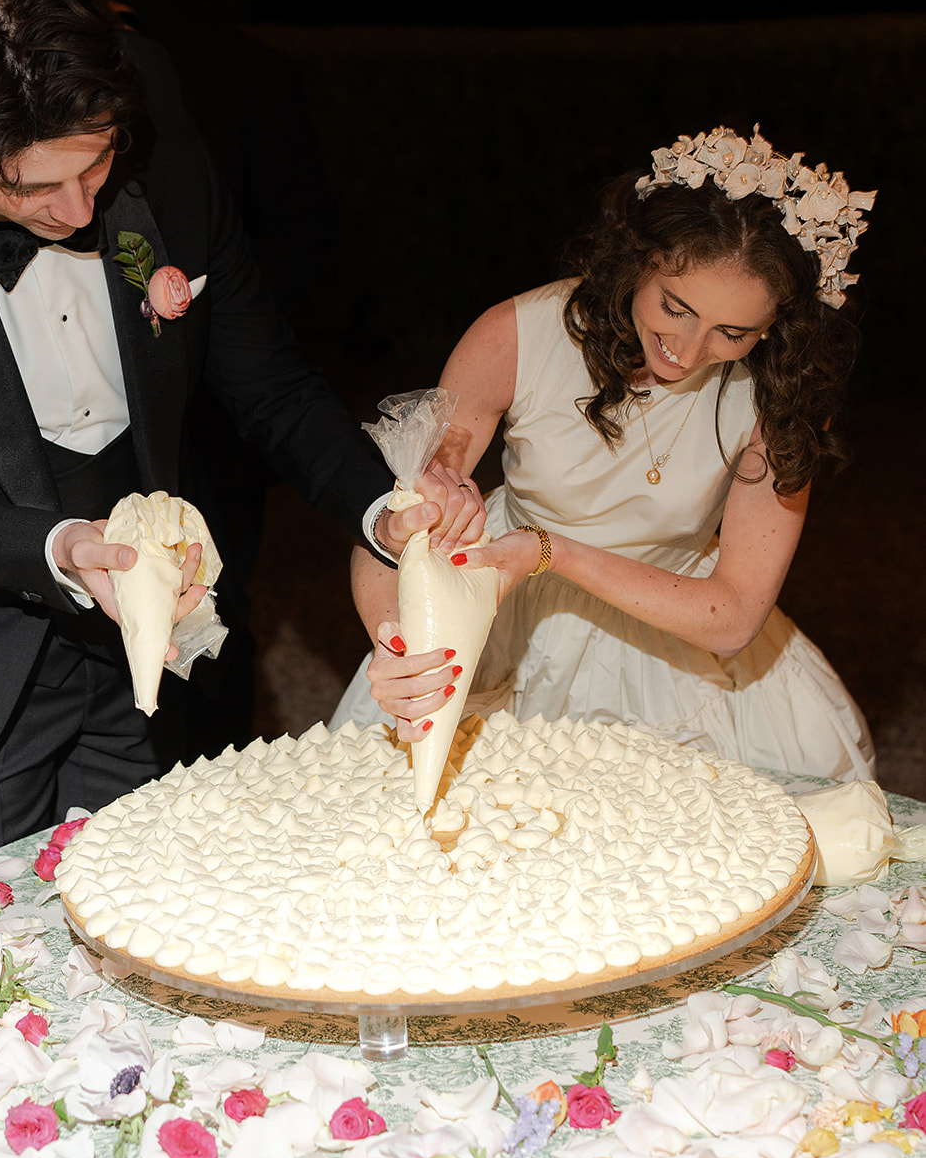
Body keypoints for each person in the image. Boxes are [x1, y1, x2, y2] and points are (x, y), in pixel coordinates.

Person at [0, 0, 476, 878]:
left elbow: (266, 379)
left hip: (166, 645)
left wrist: (379, 508)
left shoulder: (161, 139)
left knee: (165, 919)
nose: (78, 210)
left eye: (96, 163)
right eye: (30, 188)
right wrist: (60, 548)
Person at [337, 126, 876, 782]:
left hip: (674, 627)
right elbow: (389, 527)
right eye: (674, 307)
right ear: (637, 263)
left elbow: (733, 616)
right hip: (501, 613)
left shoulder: (777, 395)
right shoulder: (516, 334)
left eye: (731, 332)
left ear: (772, 327)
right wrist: (397, 641)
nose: (688, 347)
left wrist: (550, 552)